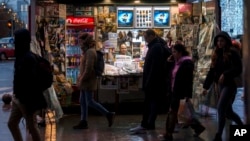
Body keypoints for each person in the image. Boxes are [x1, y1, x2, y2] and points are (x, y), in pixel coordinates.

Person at [202, 31, 243, 141]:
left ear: (226, 41)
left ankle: (218, 135)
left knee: (220, 108)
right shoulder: (217, 54)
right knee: (228, 112)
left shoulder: (232, 52)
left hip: (229, 85)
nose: (220, 43)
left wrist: (226, 74)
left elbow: (238, 68)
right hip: (220, 86)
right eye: (218, 41)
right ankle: (242, 129)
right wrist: (206, 87)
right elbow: (212, 72)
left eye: (222, 41)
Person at [8, 29, 47, 141]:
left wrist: (27, 99)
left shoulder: (28, 58)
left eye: (16, 40)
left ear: (22, 41)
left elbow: (31, 81)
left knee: (31, 126)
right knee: (12, 123)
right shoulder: (21, 56)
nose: (14, 42)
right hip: (18, 97)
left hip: (26, 99)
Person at [129, 29, 171, 134]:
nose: (145, 39)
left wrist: (148, 82)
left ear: (152, 36)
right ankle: (148, 124)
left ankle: (146, 125)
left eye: (146, 37)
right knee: (152, 104)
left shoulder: (156, 47)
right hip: (155, 81)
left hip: (153, 81)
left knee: (150, 104)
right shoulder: (156, 45)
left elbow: (154, 67)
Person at [163, 44, 205, 141]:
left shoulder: (187, 63)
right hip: (174, 90)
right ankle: (198, 127)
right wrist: (169, 62)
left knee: (173, 112)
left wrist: (186, 94)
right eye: (172, 52)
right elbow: (170, 74)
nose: (172, 54)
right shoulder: (176, 62)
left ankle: (168, 133)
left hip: (180, 91)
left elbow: (187, 80)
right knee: (184, 114)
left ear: (180, 52)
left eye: (174, 52)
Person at [73, 33, 115, 129]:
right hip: (85, 80)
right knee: (82, 101)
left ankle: (108, 114)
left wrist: (81, 79)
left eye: (81, 42)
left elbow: (88, 69)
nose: (79, 44)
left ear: (85, 42)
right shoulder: (87, 52)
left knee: (90, 101)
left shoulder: (90, 52)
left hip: (88, 81)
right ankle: (83, 121)